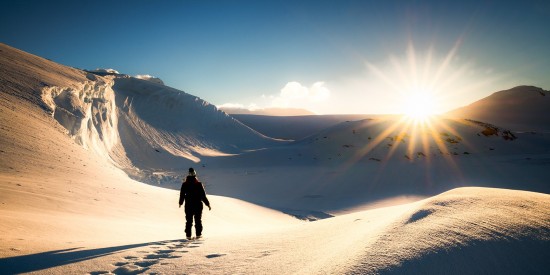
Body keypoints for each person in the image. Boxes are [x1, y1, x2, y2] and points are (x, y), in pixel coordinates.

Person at [179, 167, 211, 240]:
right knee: (198, 220)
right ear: (195, 174)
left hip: (188, 205)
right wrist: (207, 204)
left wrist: (180, 203)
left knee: (189, 220)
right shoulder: (199, 184)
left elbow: (182, 195)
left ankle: (188, 236)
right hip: (198, 205)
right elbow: (203, 196)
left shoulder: (185, 184)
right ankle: (198, 235)